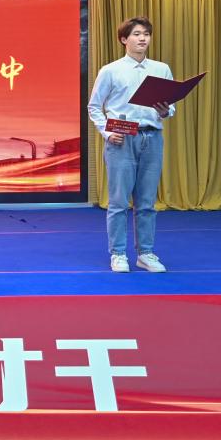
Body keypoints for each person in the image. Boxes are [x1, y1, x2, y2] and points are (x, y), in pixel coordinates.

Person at [87, 16, 174, 273]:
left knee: (147, 202)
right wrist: (106, 132)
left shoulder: (161, 69)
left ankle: (145, 253)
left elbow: (170, 107)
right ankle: (118, 253)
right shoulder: (110, 70)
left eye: (146, 33)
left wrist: (166, 111)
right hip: (122, 138)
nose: (142, 38)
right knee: (118, 202)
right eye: (136, 34)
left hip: (152, 137)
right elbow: (94, 107)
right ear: (124, 39)